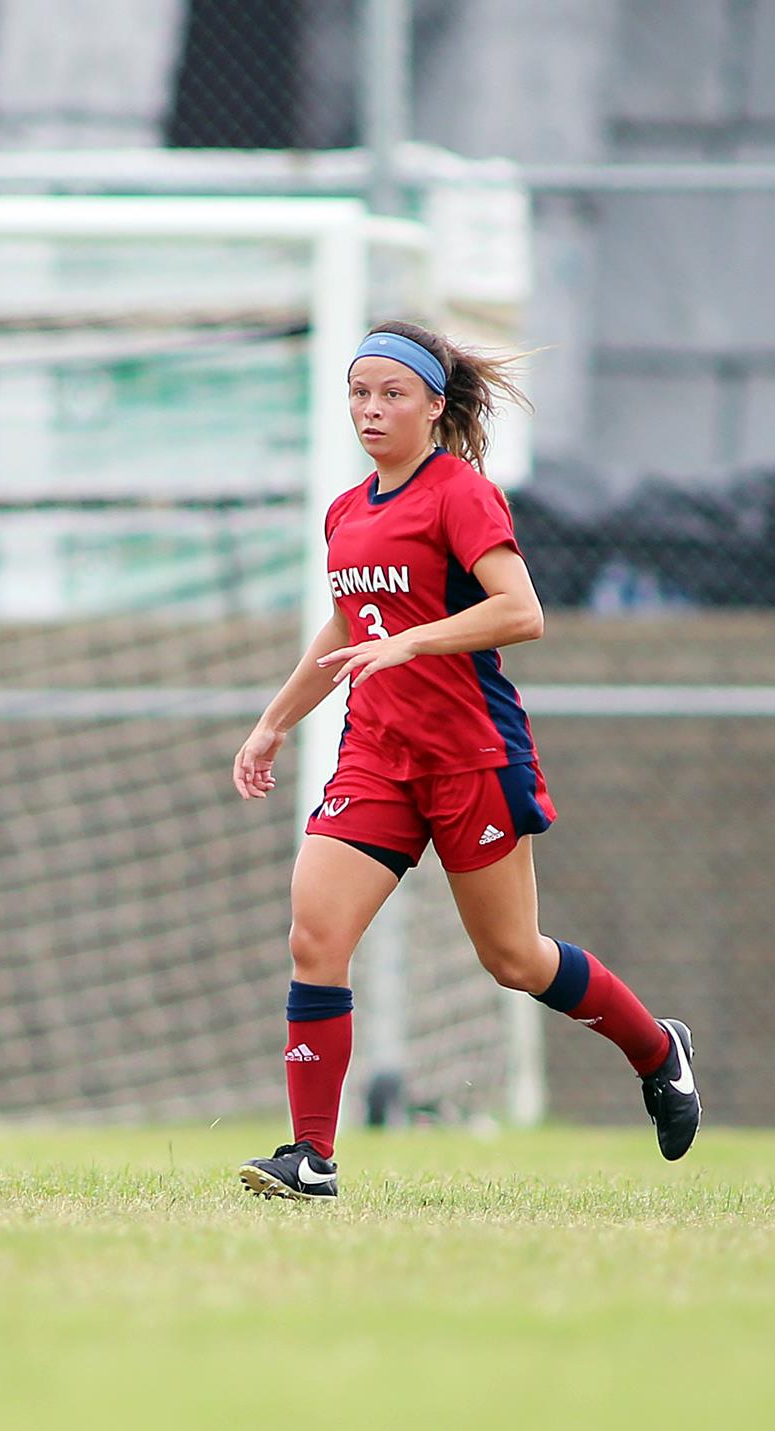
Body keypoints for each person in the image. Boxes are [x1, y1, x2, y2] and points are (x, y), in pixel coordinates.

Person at [232, 320, 699, 1201]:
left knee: (515, 959)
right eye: (360, 393)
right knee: (315, 934)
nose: (371, 409)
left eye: (392, 393)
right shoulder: (346, 509)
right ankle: (311, 1156)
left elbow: (521, 612)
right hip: (375, 755)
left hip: (469, 756)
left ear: (434, 405)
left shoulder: (460, 494)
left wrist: (414, 645)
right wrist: (274, 721)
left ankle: (656, 1048)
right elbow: (346, 625)